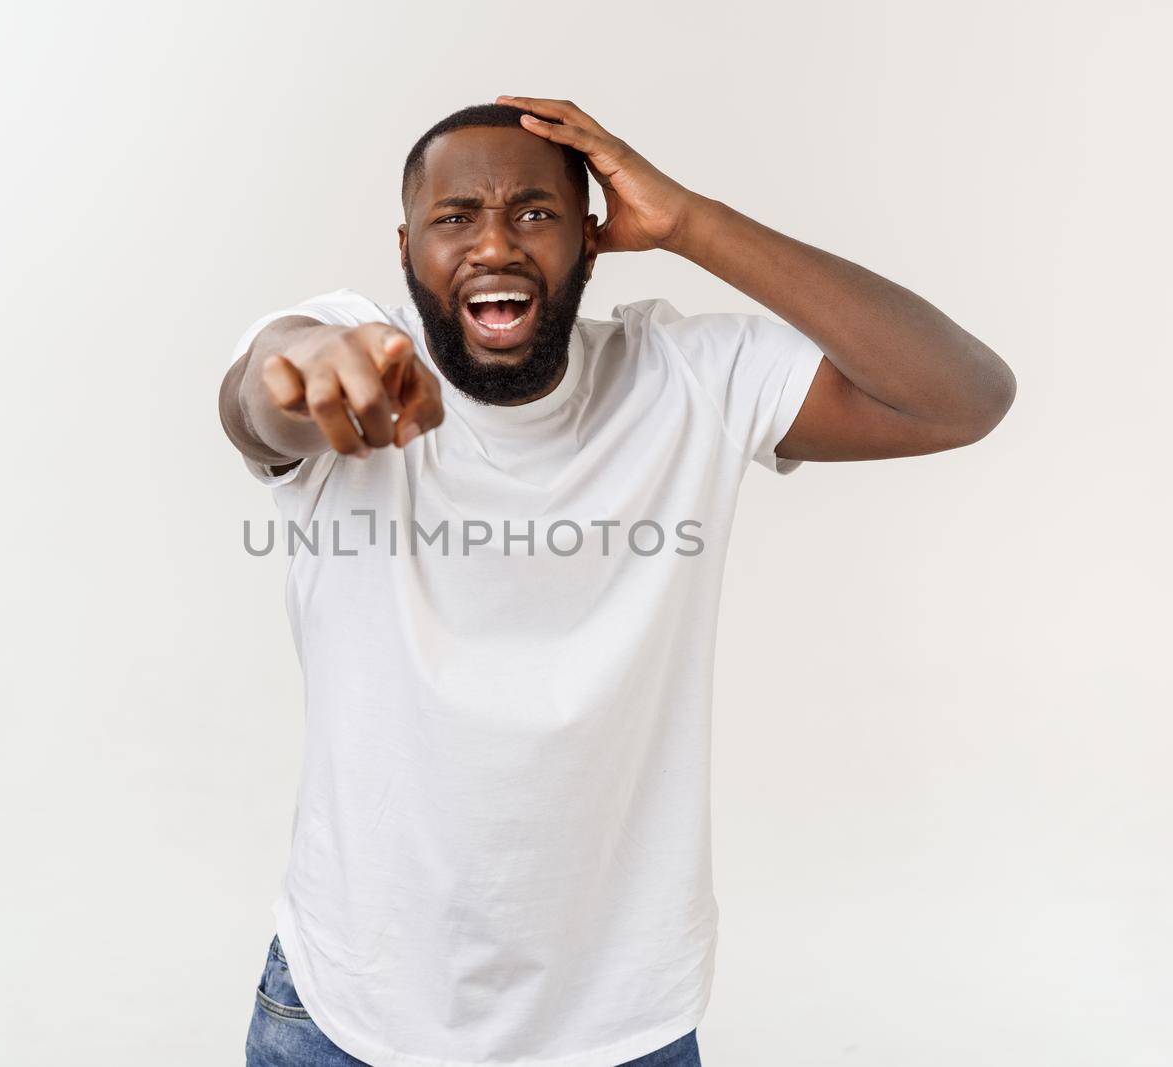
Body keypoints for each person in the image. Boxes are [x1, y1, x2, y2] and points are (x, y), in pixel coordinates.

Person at [218, 97, 1015, 1067]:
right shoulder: (356, 347)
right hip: (349, 1010)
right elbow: (267, 396)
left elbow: (961, 396)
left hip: (619, 1022)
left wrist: (691, 222)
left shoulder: (690, 376)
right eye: (455, 216)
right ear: (405, 245)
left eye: (536, 212)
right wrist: (301, 365)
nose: (495, 242)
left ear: (592, 238)